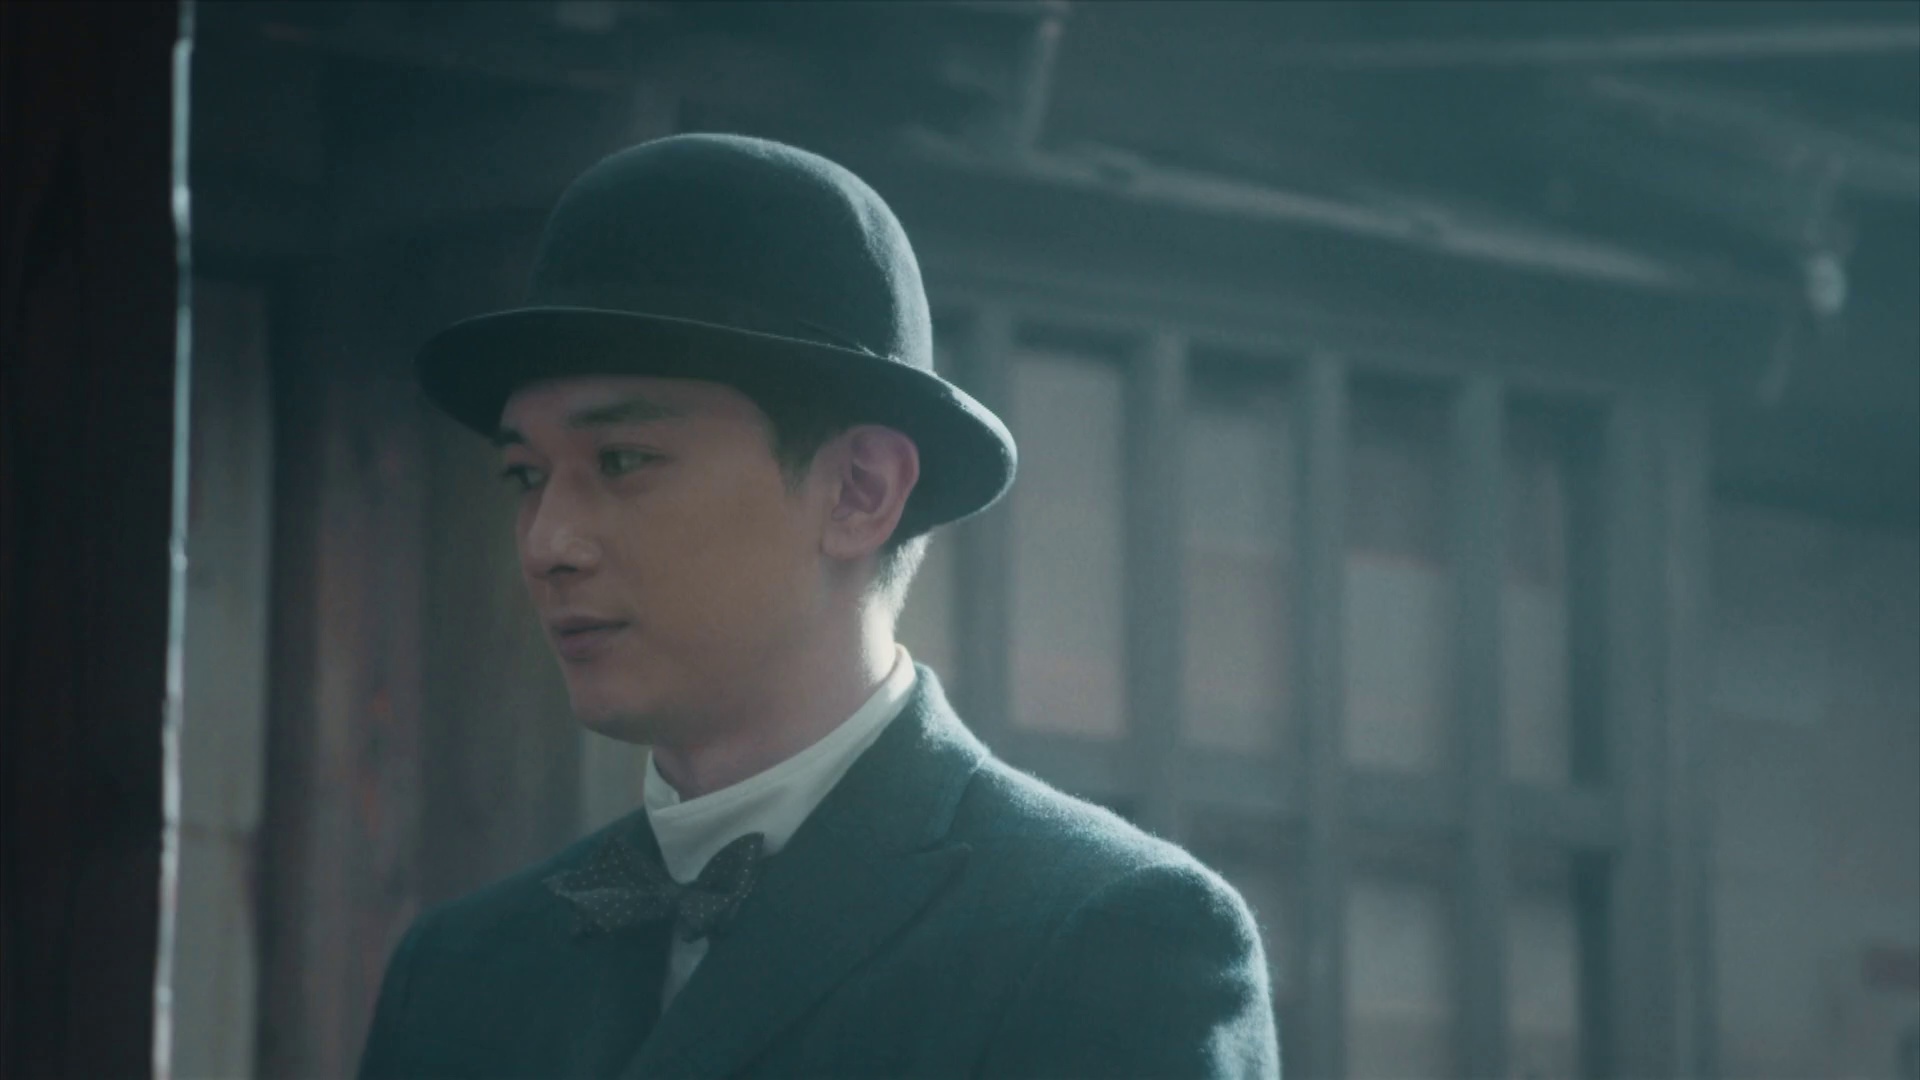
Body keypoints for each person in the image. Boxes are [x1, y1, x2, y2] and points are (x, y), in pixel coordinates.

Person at [358, 133, 1280, 1079]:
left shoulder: (1102, 937)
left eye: (625, 461)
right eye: (525, 475)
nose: (550, 543)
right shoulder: (459, 971)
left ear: (858, 492)